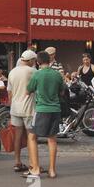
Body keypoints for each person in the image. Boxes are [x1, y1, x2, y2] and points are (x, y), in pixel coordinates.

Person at [25, 51, 64, 179]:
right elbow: (62, 91)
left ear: (38, 62)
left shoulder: (37, 74)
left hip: (41, 109)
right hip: (55, 109)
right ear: (49, 60)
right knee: (52, 139)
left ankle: (35, 168)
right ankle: (52, 170)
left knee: (32, 137)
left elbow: (28, 91)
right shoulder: (57, 74)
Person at [7, 50, 37, 173]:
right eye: (34, 61)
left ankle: (17, 162)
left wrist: (11, 105)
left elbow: (10, 92)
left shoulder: (12, 72)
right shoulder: (33, 71)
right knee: (31, 137)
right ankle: (32, 163)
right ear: (30, 60)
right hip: (28, 108)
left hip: (15, 107)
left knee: (18, 136)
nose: (35, 63)